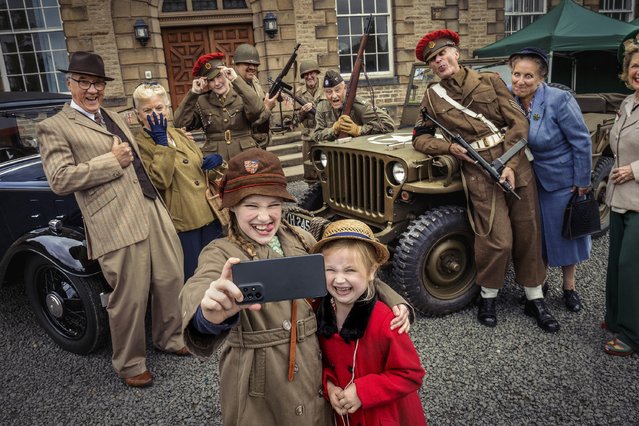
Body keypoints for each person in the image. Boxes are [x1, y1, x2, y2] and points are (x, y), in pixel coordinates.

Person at [178, 148, 412, 424]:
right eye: (251, 206)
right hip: (261, 383)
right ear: (231, 207)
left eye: (273, 205)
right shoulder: (220, 252)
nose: (264, 217)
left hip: (312, 368)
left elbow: (343, 266)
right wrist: (207, 314)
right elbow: (201, 284)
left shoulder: (297, 237)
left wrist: (388, 295)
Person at [37, 52, 187, 388]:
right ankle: (130, 364)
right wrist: (110, 161)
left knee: (170, 277)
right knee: (130, 295)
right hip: (114, 220)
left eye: (98, 83)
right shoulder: (54, 127)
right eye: (85, 83)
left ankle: (170, 338)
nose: (92, 90)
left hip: (151, 207)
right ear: (70, 84)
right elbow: (60, 179)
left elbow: (143, 151)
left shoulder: (113, 116)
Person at [412, 30, 559, 332]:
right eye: (432, 60)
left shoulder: (490, 81)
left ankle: (534, 297)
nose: (439, 61)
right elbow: (420, 137)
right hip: (477, 170)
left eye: (442, 54)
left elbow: (519, 122)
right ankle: (488, 296)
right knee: (496, 237)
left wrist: (509, 164)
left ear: (456, 53)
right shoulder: (431, 96)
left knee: (528, 230)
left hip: (514, 163)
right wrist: (448, 147)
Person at [311, 219, 426, 426]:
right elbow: (320, 360)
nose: (339, 280)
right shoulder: (318, 311)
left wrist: (363, 391)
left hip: (385, 417)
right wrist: (328, 385)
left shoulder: (386, 321)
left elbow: (411, 374)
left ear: (372, 272)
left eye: (350, 270)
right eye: (330, 270)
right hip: (346, 416)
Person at [508, 47, 592, 312]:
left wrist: (582, 180)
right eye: (516, 75)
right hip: (528, 180)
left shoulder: (559, 99)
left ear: (541, 77)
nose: (520, 81)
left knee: (567, 234)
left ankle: (569, 287)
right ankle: (538, 284)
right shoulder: (508, 99)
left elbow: (581, 141)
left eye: (528, 76)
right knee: (536, 236)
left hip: (560, 179)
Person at [132, 82, 225, 280]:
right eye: (147, 110)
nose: (155, 115)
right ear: (138, 114)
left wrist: (214, 164)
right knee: (194, 278)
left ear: (167, 109)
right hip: (183, 222)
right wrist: (162, 145)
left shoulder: (178, 134)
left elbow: (197, 169)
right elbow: (160, 181)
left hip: (209, 214)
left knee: (218, 272)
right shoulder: (139, 144)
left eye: (159, 108)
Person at [602, 31, 639, 357]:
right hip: (619, 196)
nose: (638, 71)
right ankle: (616, 319)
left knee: (632, 266)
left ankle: (632, 334)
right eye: (635, 65)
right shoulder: (628, 102)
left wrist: (635, 170)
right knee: (615, 263)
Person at [173, 52, 267, 160]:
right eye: (211, 80)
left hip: (245, 156)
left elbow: (258, 109)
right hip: (216, 161)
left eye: (219, 76)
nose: (217, 83)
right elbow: (179, 124)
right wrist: (193, 93)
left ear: (226, 73)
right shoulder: (202, 101)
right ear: (206, 82)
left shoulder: (242, 94)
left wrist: (236, 80)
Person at [312, 70, 395, 142]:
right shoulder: (322, 107)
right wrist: (333, 130)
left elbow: (388, 125)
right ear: (324, 93)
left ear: (345, 88)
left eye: (337, 90)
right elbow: (316, 135)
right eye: (329, 92)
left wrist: (359, 130)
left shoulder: (359, 105)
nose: (334, 96)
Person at [233, 43, 277, 148]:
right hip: (245, 143)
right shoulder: (232, 88)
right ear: (236, 64)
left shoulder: (254, 81)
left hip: (260, 140)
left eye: (255, 65)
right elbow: (247, 120)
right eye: (247, 64)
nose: (252, 68)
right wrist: (267, 108)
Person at [296, 59, 323, 181]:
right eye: (306, 74)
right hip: (308, 137)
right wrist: (302, 112)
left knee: (326, 165)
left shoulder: (326, 88)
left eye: (312, 73)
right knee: (309, 169)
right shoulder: (299, 93)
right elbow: (295, 119)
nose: (309, 76)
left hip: (324, 133)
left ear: (316, 73)